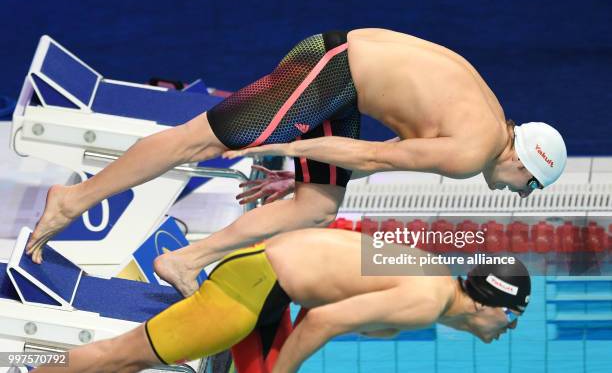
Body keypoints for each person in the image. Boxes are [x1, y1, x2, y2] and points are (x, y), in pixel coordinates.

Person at [25, 28, 566, 296]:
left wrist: (296, 169)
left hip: (345, 87)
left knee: (315, 204)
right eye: (529, 185)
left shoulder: (492, 120)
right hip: (332, 70)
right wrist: (278, 147)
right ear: (523, 158)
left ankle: (185, 262)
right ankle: (72, 199)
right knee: (199, 140)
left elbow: (367, 153)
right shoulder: (472, 152)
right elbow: (369, 157)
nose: (519, 195)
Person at [31, 228, 531, 373]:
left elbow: (330, 286)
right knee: (115, 357)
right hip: (252, 290)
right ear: (491, 305)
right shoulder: (425, 300)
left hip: (269, 285)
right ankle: (23, 366)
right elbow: (324, 323)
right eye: (512, 319)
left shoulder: (431, 272)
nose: (506, 329)